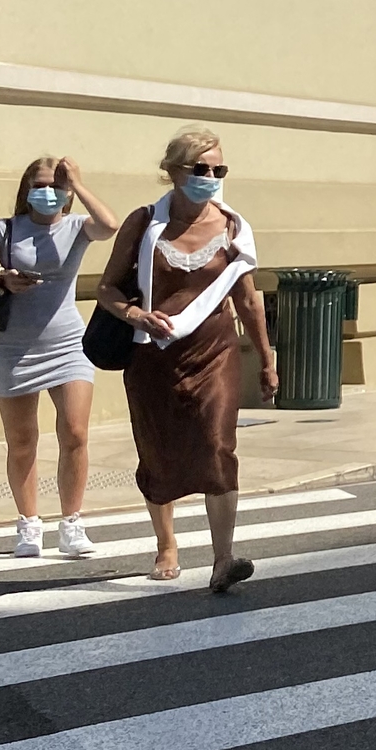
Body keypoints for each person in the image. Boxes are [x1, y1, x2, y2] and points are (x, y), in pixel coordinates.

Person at [96, 129, 277, 590]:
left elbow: (249, 300)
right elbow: (107, 287)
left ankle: (223, 559)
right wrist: (134, 313)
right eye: (201, 170)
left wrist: (267, 358)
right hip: (152, 353)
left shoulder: (234, 227)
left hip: (215, 347)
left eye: (219, 170)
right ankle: (166, 544)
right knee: (158, 451)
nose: (211, 178)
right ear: (174, 172)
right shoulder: (144, 224)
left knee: (218, 444)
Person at [0, 157, 121, 557]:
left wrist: (77, 183)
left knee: (75, 433)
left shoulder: (77, 227)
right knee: (23, 441)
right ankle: (29, 525)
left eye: (56, 185)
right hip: (14, 347)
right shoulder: (4, 230)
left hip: (68, 346)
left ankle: (72, 524)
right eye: (40, 184)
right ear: (27, 189)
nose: (48, 192)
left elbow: (110, 225)